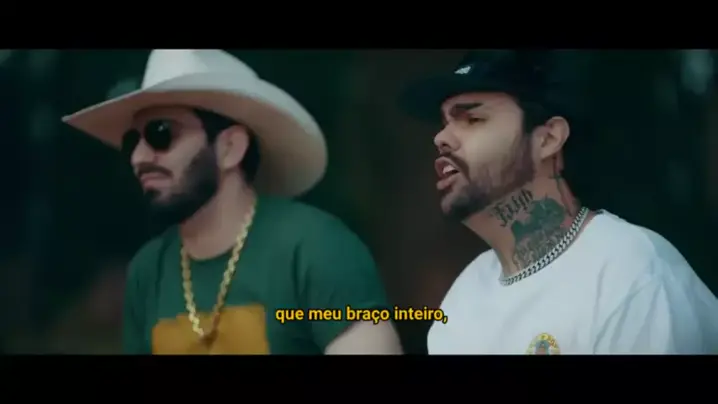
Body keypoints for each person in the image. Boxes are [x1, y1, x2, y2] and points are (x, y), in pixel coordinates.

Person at [63, 49, 402, 355]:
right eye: (131, 142)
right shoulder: (147, 271)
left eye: (161, 133)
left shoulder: (316, 247)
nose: (138, 157)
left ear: (230, 148)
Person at [398, 50, 718, 354]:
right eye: (444, 123)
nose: (441, 138)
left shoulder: (629, 273)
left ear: (548, 139)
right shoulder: (461, 301)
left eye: (472, 119)